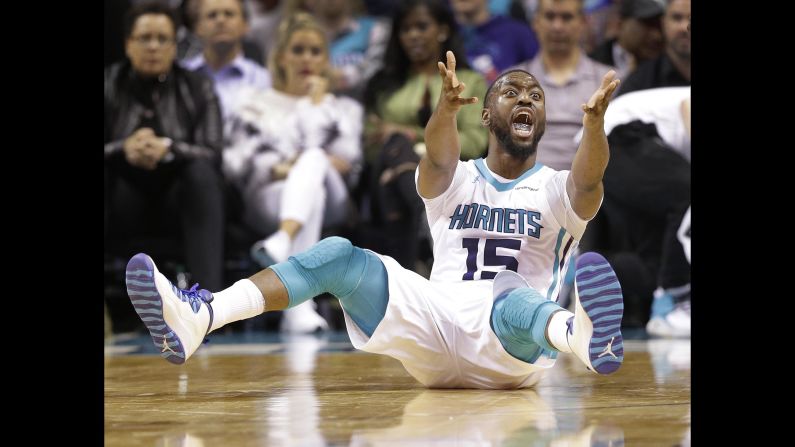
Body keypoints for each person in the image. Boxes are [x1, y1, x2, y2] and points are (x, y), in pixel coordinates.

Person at [125, 50, 624, 389]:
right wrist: (446, 111)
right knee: (338, 255)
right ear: (487, 115)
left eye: (535, 96)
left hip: (512, 347)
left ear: (542, 118)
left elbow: (589, 178)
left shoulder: (559, 188)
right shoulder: (458, 180)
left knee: (511, 290)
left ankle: (578, 336)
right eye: (511, 92)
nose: (525, 99)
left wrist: (595, 126)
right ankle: (202, 316)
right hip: (435, 323)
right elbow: (438, 159)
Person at [223, 12, 363, 332]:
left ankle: (284, 239)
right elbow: (235, 162)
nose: (306, 59)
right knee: (309, 187)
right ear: (281, 55)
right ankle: (299, 306)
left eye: (315, 51)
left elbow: (347, 163)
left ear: (326, 58)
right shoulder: (255, 103)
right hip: (268, 193)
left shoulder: (343, 108)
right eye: (298, 50)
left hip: (334, 197)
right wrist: (274, 168)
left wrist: (314, 108)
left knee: (313, 162)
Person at [105, 0, 226, 292]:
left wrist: (170, 149)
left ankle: (207, 308)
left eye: (162, 39)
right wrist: (123, 149)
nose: (153, 47)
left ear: (175, 46)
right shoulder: (108, 83)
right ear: (128, 44)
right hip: (123, 204)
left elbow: (213, 152)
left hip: (181, 204)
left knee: (201, 173)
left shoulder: (199, 87)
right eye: (145, 38)